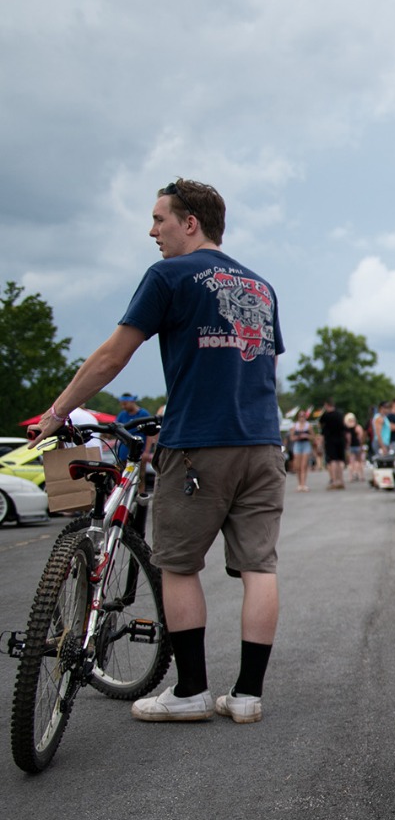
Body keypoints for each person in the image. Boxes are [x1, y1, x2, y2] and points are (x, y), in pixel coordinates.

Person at [30, 177, 284, 724]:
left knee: (177, 565)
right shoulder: (261, 287)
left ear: (190, 222)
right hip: (262, 442)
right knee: (259, 567)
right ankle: (246, 696)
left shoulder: (169, 274)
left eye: (159, 219)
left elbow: (112, 356)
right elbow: (262, 367)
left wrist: (56, 413)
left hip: (198, 446)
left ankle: (191, 689)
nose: (153, 231)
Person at [317, 398, 347, 488]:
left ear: (326, 405)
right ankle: (341, 480)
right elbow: (344, 428)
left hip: (330, 440)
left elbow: (321, 429)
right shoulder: (340, 414)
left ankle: (334, 481)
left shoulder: (325, 416)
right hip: (341, 439)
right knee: (340, 460)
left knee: (332, 460)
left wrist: (320, 443)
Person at [289, 407, 313, 492]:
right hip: (297, 444)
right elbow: (291, 438)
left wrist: (306, 436)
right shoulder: (294, 426)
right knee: (298, 466)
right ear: (298, 417)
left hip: (306, 444)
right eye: (300, 416)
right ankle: (299, 484)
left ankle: (304, 484)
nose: (302, 418)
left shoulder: (308, 425)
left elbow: (313, 436)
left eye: (303, 416)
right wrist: (297, 437)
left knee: (304, 465)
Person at [344, 411, 367, 480]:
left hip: (351, 446)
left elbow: (348, 438)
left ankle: (351, 476)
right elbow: (360, 437)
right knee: (359, 461)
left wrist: (347, 445)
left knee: (351, 462)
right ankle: (361, 475)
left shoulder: (347, 429)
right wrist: (361, 445)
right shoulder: (358, 427)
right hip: (357, 446)